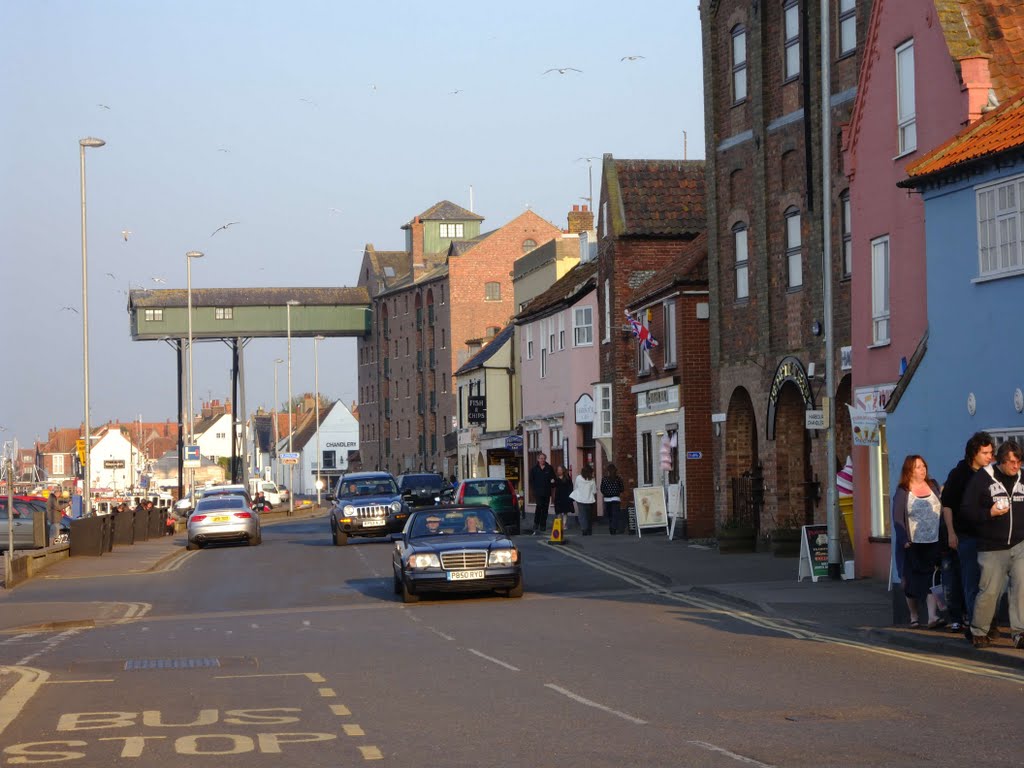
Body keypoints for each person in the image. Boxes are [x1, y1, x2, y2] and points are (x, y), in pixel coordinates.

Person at [962, 440, 1024, 649]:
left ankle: (1020, 633)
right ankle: (979, 630)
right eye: (1012, 462)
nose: (1016, 467)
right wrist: (989, 513)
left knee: (1021, 589)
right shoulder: (983, 478)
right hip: (992, 547)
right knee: (989, 591)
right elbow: (967, 510)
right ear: (1000, 461)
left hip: (1019, 545)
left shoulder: (1022, 478)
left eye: (1019, 462)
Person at [940, 431, 994, 635]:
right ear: (974, 453)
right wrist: (952, 533)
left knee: (989, 583)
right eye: (985, 452)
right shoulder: (959, 474)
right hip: (966, 536)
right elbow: (948, 506)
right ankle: (975, 624)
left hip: (989, 536)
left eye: (991, 452)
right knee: (971, 581)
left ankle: (988, 623)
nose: (990, 456)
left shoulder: (990, 474)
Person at [891, 455, 944, 629]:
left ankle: (932, 617)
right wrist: (904, 539)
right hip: (912, 544)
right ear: (909, 471)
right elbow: (898, 517)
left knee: (931, 578)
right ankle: (914, 616)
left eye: (923, 466)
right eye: (918, 467)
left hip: (934, 541)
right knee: (911, 581)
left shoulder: (933, 485)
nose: (923, 470)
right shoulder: (903, 490)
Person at [528, 452, 555, 535]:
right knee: (539, 506)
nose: (542, 460)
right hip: (538, 492)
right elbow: (531, 481)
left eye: (544, 458)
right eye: (541, 458)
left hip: (546, 492)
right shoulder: (534, 469)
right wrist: (534, 490)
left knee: (545, 509)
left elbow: (553, 478)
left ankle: (543, 524)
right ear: (538, 459)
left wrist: (552, 482)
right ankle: (536, 523)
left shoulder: (549, 468)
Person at [571, 464, 597, 535]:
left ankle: (584, 529)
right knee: (589, 516)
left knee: (582, 515)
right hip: (589, 500)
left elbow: (575, 487)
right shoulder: (592, 479)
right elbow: (594, 491)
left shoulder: (578, 478)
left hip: (580, 499)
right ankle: (589, 530)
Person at [600, 463, 626, 535]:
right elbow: (622, 488)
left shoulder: (604, 479)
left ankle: (611, 527)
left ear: (608, 471)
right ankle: (613, 528)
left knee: (610, 515)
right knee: (615, 514)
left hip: (607, 499)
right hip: (616, 498)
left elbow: (602, 489)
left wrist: (606, 493)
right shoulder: (618, 479)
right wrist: (617, 491)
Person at [553, 465, 573, 531]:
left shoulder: (567, 477)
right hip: (558, 496)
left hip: (565, 496)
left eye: (560, 470)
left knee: (565, 511)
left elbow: (571, 486)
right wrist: (552, 482)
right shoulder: (555, 478)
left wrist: (570, 495)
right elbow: (553, 486)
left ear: (563, 470)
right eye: (558, 470)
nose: (559, 471)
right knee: (558, 511)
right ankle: (559, 524)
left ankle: (564, 524)